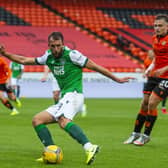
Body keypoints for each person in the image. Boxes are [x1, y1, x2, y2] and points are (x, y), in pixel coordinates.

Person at [0, 31, 134, 165]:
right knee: (37, 120)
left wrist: (117, 79)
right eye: (53, 46)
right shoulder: (48, 57)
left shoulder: (72, 55)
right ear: (49, 45)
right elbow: (24, 60)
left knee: (63, 121)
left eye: (58, 46)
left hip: (74, 94)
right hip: (65, 96)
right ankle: (50, 151)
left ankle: (89, 147)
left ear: (63, 44)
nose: (56, 49)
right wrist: (5, 54)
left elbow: (95, 67)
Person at [124, 14, 168, 146]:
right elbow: (157, 57)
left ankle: (146, 135)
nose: (157, 28)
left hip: (166, 77)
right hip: (155, 75)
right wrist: (150, 68)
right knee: (144, 103)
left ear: (167, 26)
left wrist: (165, 69)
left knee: (152, 103)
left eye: (160, 25)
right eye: (155, 25)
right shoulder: (154, 38)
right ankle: (135, 134)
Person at [144, 50, 168, 114]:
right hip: (151, 79)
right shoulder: (146, 61)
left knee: (160, 95)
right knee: (147, 99)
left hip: (162, 78)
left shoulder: (161, 59)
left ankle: (163, 107)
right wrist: (146, 72)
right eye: (149, 54)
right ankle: (149, 109)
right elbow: (146, 68)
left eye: (151, 53)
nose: (150, 55)